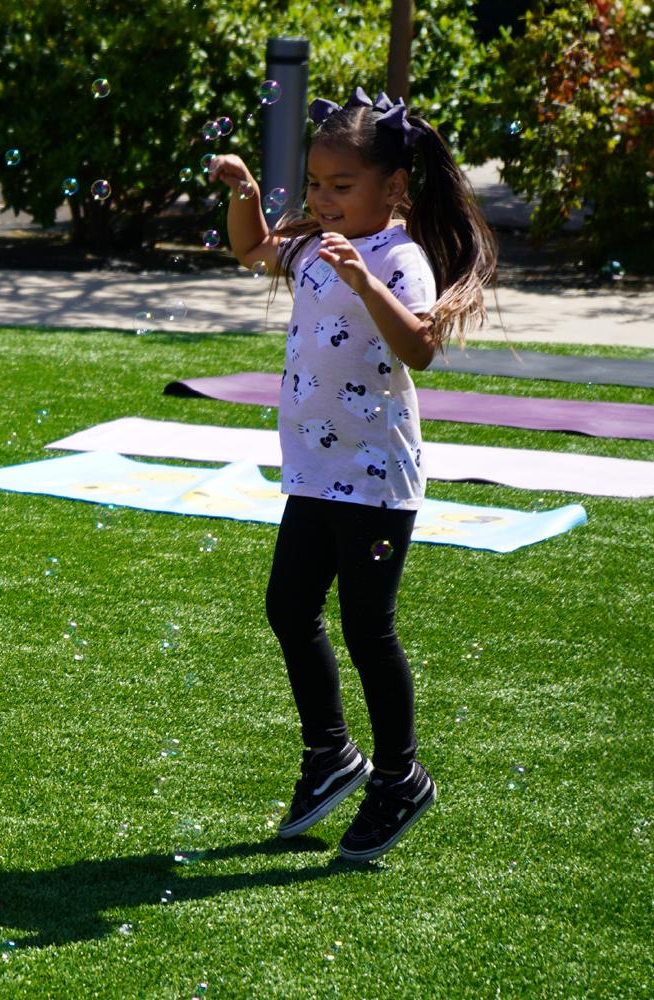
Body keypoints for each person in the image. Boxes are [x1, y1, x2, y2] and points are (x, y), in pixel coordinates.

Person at [206, 87, 496, 861]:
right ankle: (331, 753)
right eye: (315, 185)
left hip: (375, 480)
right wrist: (243, 195)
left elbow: (420, 351)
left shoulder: (400, 261)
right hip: (311, 471)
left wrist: (366, 285)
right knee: (287, 608)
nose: (325, 201)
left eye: (343, 186)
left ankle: (400, 777)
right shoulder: (307, 246)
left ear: (393, 188)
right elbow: (251, 249)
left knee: (370, 631)